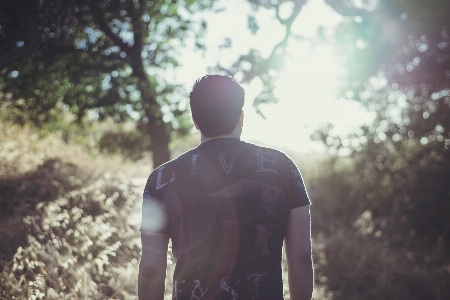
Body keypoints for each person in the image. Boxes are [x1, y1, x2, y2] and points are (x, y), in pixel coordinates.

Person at [138, 75, 313, 300]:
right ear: (241, 118)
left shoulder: (160, 179)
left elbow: (151, 270)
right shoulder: (283, 168)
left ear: (195, 121)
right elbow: (301, 258)